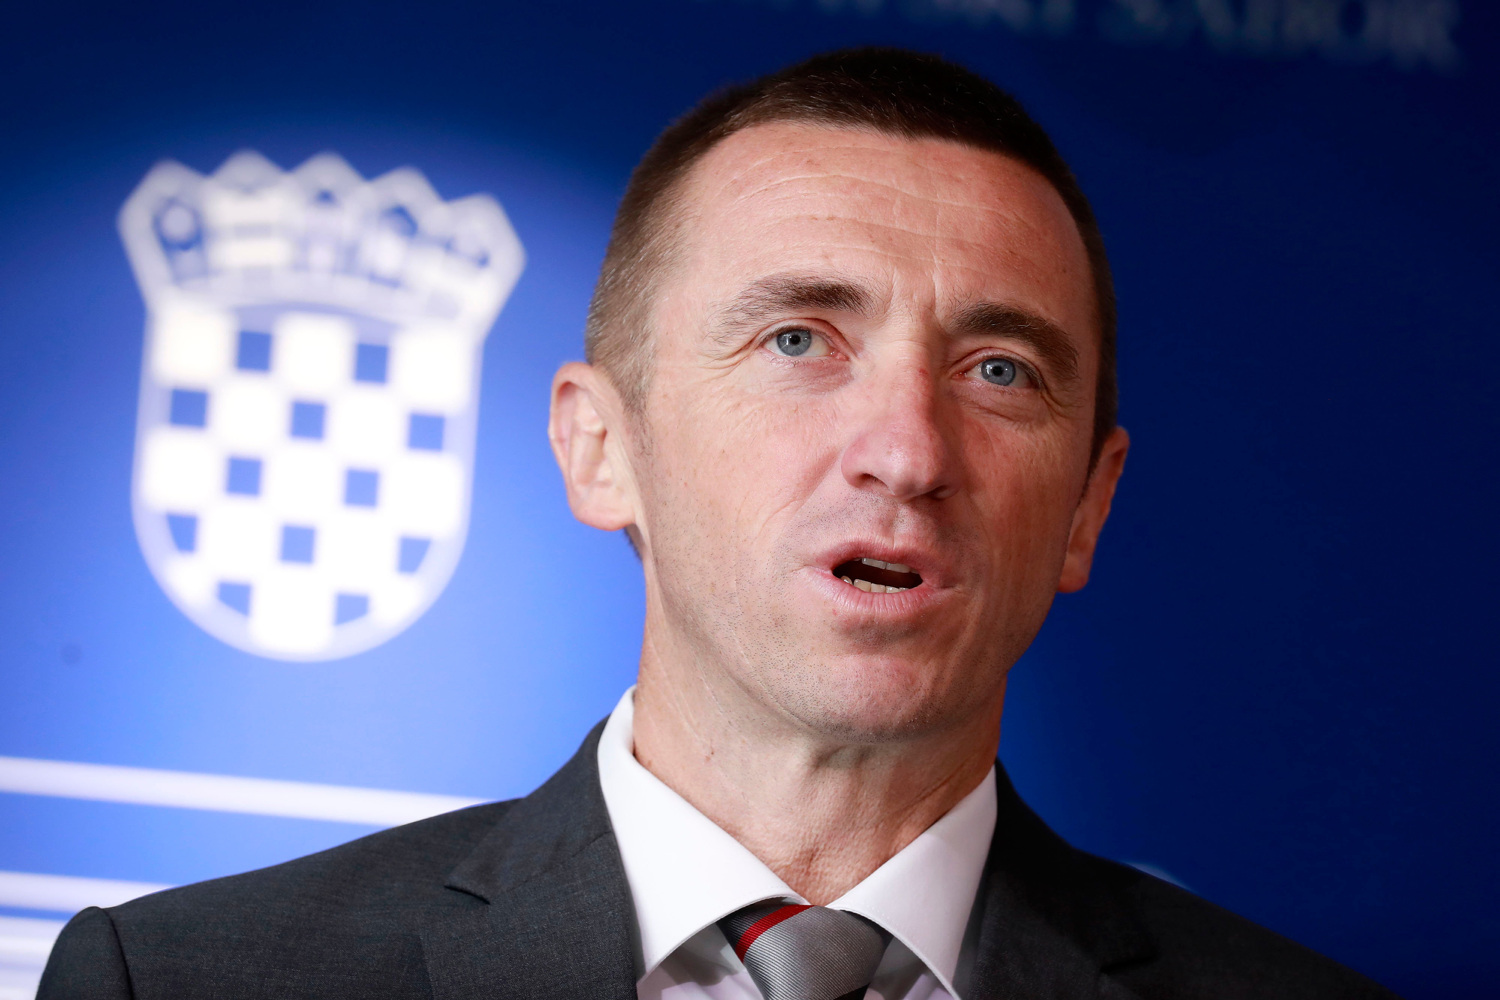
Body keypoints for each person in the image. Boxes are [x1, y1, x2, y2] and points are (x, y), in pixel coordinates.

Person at [40, 48, 1397, 1000]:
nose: (908, 453)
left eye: (999, 370)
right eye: (799, 338)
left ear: (1088, 507)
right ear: (600, 448)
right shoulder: (182, 981)